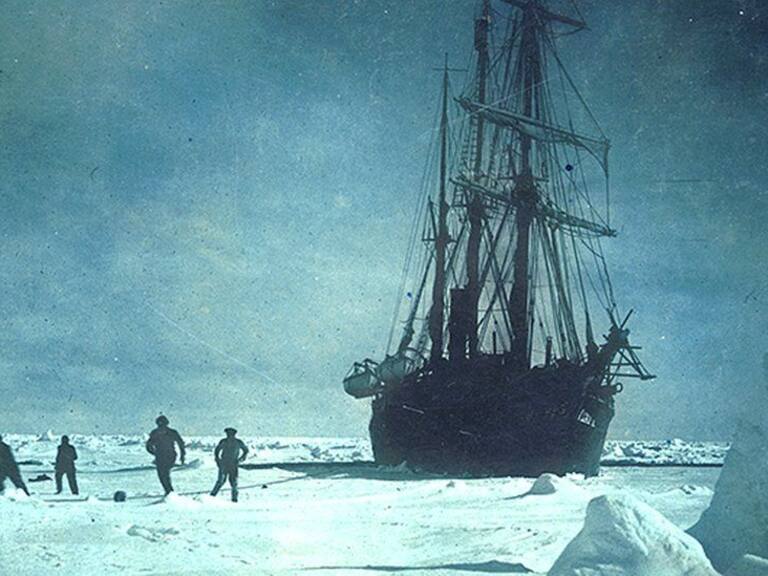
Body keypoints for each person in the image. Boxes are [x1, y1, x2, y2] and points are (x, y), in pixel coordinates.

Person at [145, 415, 185, 495]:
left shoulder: (170, 432)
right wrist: (154, 453)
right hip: (162, 456)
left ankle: (169, 492)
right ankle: (169, 491)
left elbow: (181, 443)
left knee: (164, 474)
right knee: (162, 474)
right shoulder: (155, 433)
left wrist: (182, 455)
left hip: (168, 455)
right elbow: (149, 445)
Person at [210, 427, 248, 502]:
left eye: (231, 434)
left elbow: (246, 450)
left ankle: (234, 499)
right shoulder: (224, 441)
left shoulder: (238, 442)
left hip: (233, 464)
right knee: (221, 481)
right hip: (224, 464)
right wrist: (218, 460)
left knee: (234, 483)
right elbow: (217, 450)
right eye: (228, 434)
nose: (229, 436)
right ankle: (212, 496)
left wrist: (241, 459)